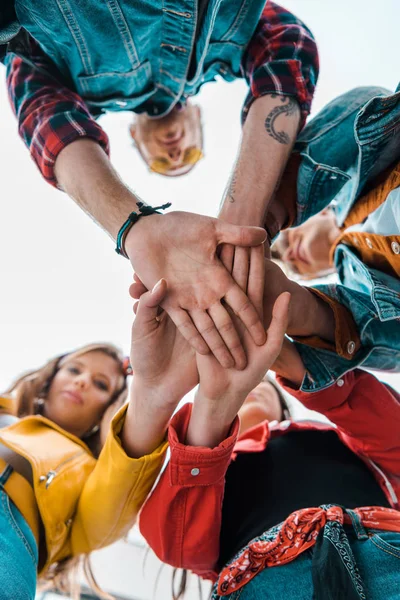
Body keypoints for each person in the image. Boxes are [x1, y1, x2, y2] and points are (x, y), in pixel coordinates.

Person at [1, 1, 318, 368]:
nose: (176, 152)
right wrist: (239, 225)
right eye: (186, 155)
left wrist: (135, 227)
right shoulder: (224, 39)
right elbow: (287, 41)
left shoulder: (64, 73)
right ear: (196, 120)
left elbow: (43, 112)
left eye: (166, 161)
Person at [138, 314, 400, 599]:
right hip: (259, 581)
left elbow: (391, 436)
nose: (248, 385)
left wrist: (293, 364)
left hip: (383, 548)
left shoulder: (334, 435)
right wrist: (211, 410)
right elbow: (178, 543)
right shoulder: (198, 463)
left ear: (283, 406)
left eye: (259, 381)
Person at [0, 270, 205, 599]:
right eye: (74, 369)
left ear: (107, 409)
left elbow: (117, 489)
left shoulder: (88, 470)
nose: (81, 381)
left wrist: (151, 395)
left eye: (100, 384)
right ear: (50, 377)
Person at [241, 84, 400, 392]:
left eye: (283, 242)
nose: (288, 255)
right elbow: (380, 339)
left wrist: (268, 215)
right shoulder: (356, 288)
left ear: (315, 214)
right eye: (294, 268)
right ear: (317, 276)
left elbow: (365, 101)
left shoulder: (353, 173)